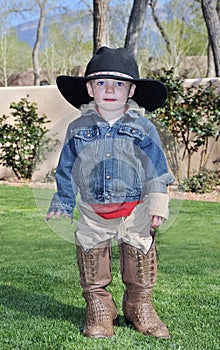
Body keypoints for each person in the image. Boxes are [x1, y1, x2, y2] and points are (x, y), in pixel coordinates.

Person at [46, 46, 174, 339]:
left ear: (131, 91)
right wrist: (64, 200)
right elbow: (67, 167)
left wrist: (157, 203)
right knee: (92, 254)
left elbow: (157, 168)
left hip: (136, 208)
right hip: (94, 209)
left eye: (119, 83)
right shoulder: (78, 128)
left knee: (138, 251)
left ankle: (139, 305)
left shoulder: (143, 127)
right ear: (90, 88)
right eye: (101, 83)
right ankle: (100, 309)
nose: (110, 90)